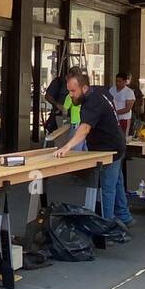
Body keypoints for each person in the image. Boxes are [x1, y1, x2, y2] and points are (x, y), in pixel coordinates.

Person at [55, 71, 132, 229]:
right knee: (116, 182)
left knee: (107, 188)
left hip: (109, 149)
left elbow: (84, 128)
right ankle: (124, 216)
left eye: (73, 91)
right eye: (69, 91)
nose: (70, 95)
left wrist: (67, 147)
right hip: (116, 143)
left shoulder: (91, 102)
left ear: (84, 88)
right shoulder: (98, 91)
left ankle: (107, 227)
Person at [107, 72, 136, 137]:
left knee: (123, 137)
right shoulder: (112, 89)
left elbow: (128, 108)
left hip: (124, 119)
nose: (117, 83)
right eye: (116, 81)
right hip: (113, 119)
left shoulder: (129, 92)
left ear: (125, 81)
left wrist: (115, 112)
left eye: (119, 81)